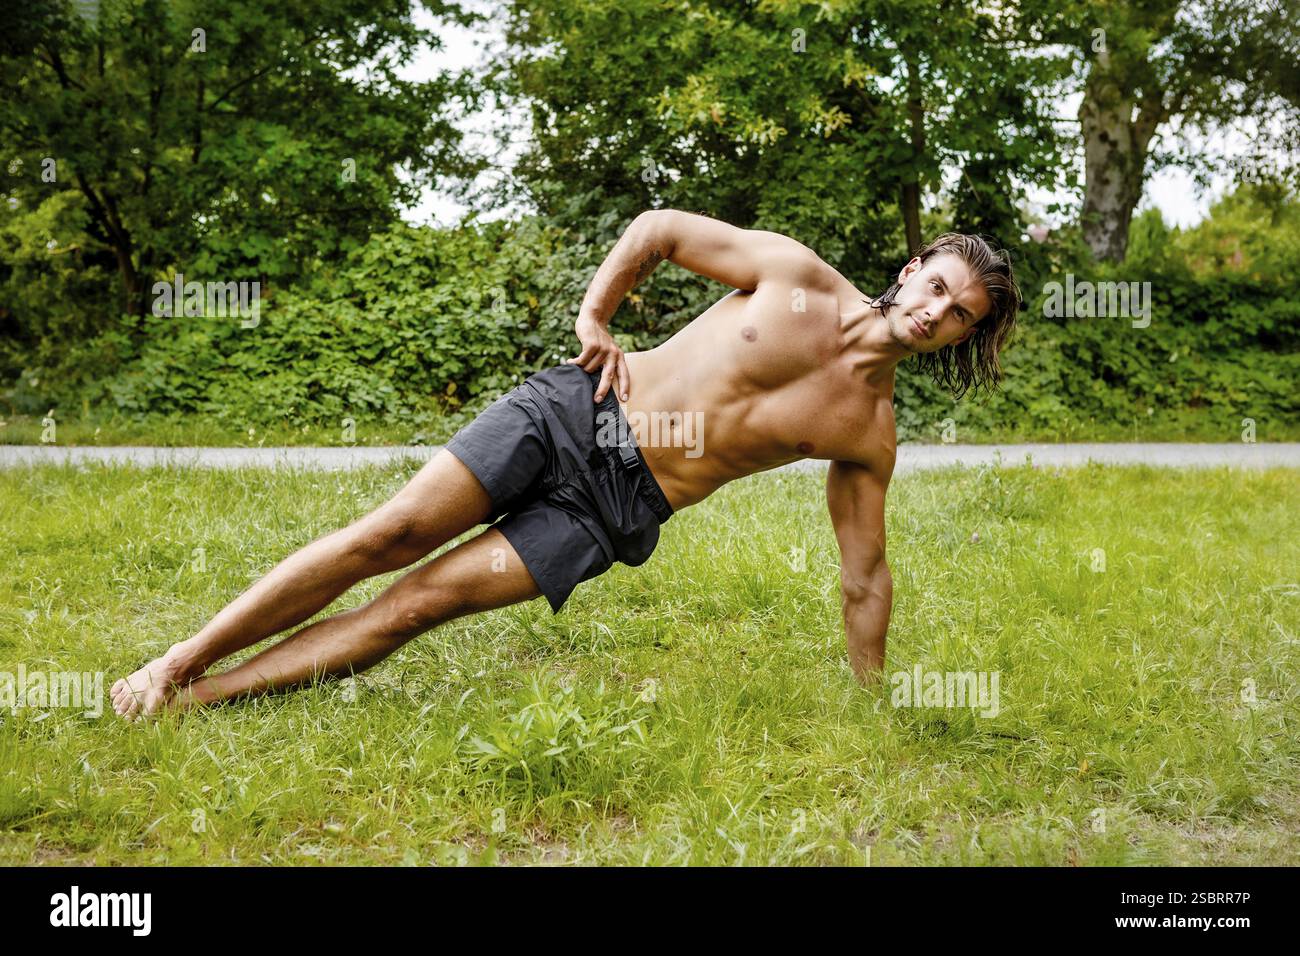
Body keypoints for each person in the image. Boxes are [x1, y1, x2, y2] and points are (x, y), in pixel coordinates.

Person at [111, 209, 1020, 720]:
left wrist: (871, 702)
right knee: (388, 535)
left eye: (963, 314)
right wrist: (595, 319)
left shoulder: (868, 432)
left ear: (963, 336)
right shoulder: (795, 275)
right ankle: (174, 663)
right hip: (576, 415)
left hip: (609, 509)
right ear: (908, 272)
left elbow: (865, 575)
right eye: (937, 286)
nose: (939, 312)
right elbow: (658, 229)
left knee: (420, 604)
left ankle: (196, 702)